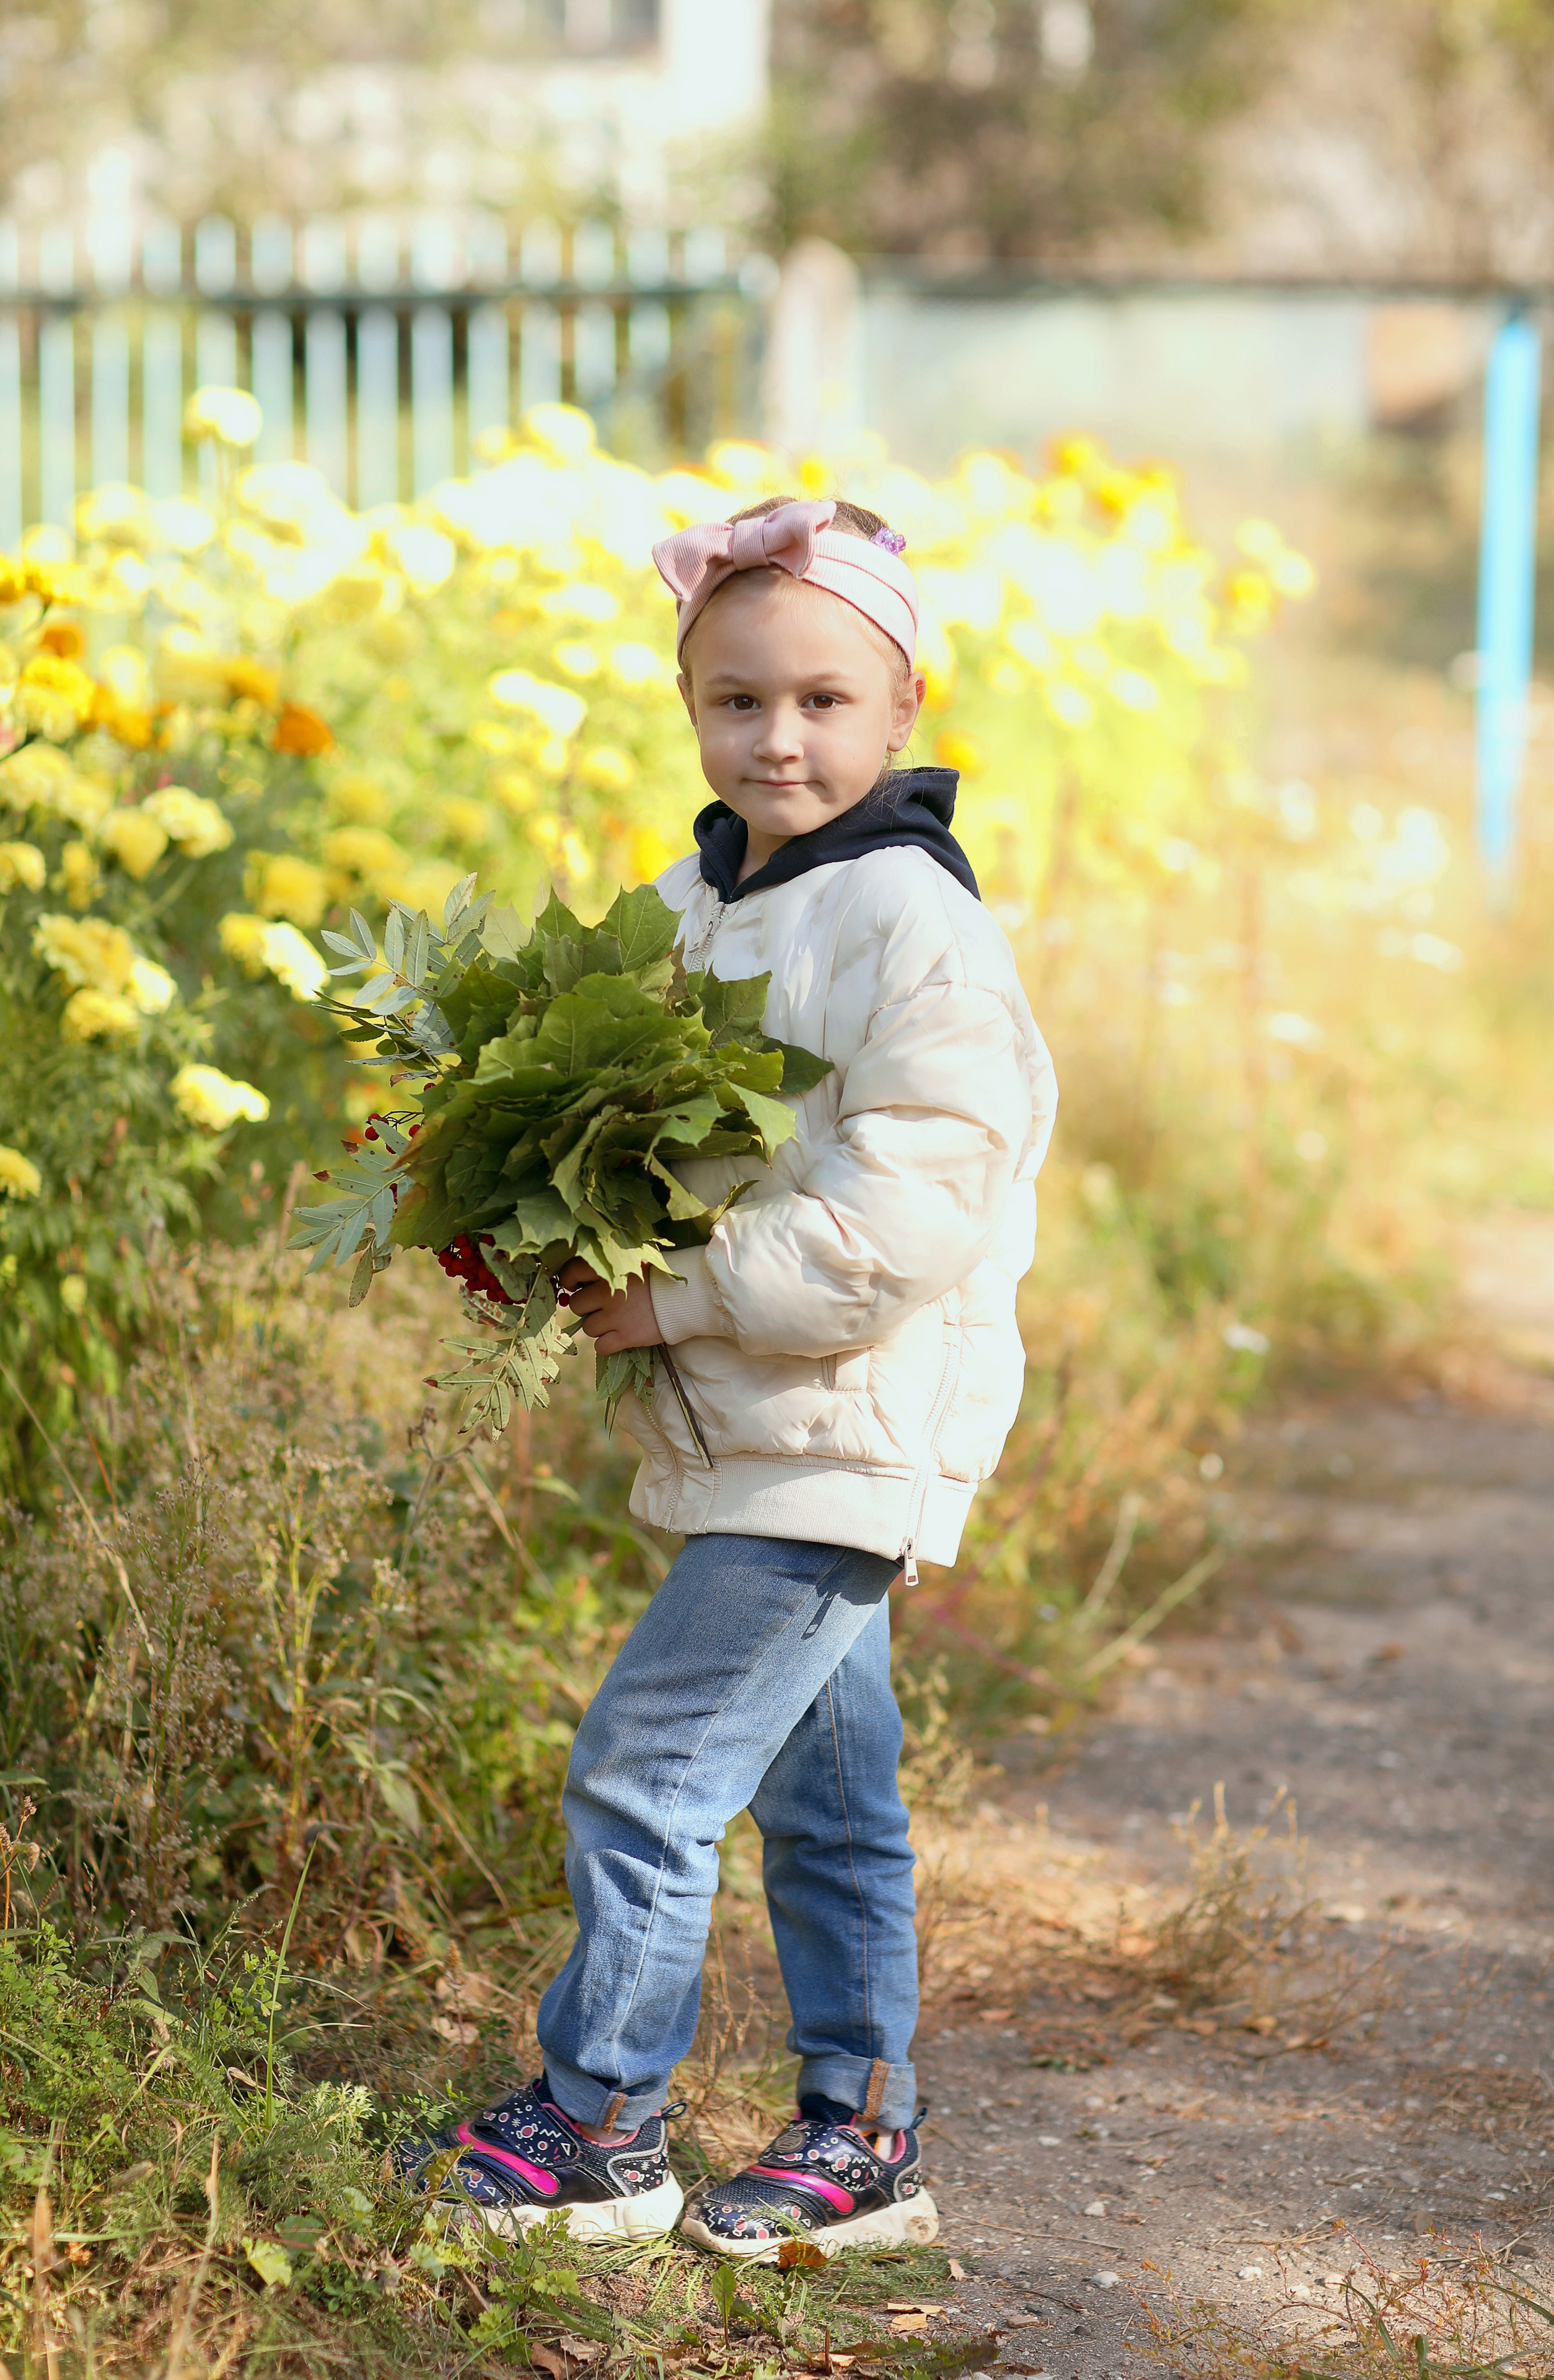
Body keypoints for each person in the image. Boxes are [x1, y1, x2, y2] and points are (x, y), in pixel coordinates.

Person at [398, 495, 1057, 2259]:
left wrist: (674, 1298)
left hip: (848, 1419)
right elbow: (660, 1136)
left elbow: (910, 1207)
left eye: (826, 702)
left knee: (649, 1767)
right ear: (690, 703)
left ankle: (603, 2122)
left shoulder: (909, 921)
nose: (779, 736)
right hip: (771, 1421)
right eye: (737, 699)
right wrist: (547, 1211)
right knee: (831, 1801)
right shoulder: (701, 900)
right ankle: (865, 2141)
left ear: (902, 714)